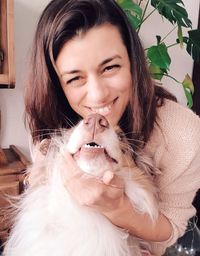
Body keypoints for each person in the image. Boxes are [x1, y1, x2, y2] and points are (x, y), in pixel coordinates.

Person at [24, 0, 200, 255]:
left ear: (133, 61)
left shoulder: (185, 133)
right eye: (75, 78)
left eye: (110, 67)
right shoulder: (51, 124)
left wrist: (116, 208)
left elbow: (170, 228)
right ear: (57, 85)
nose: (97, 96)